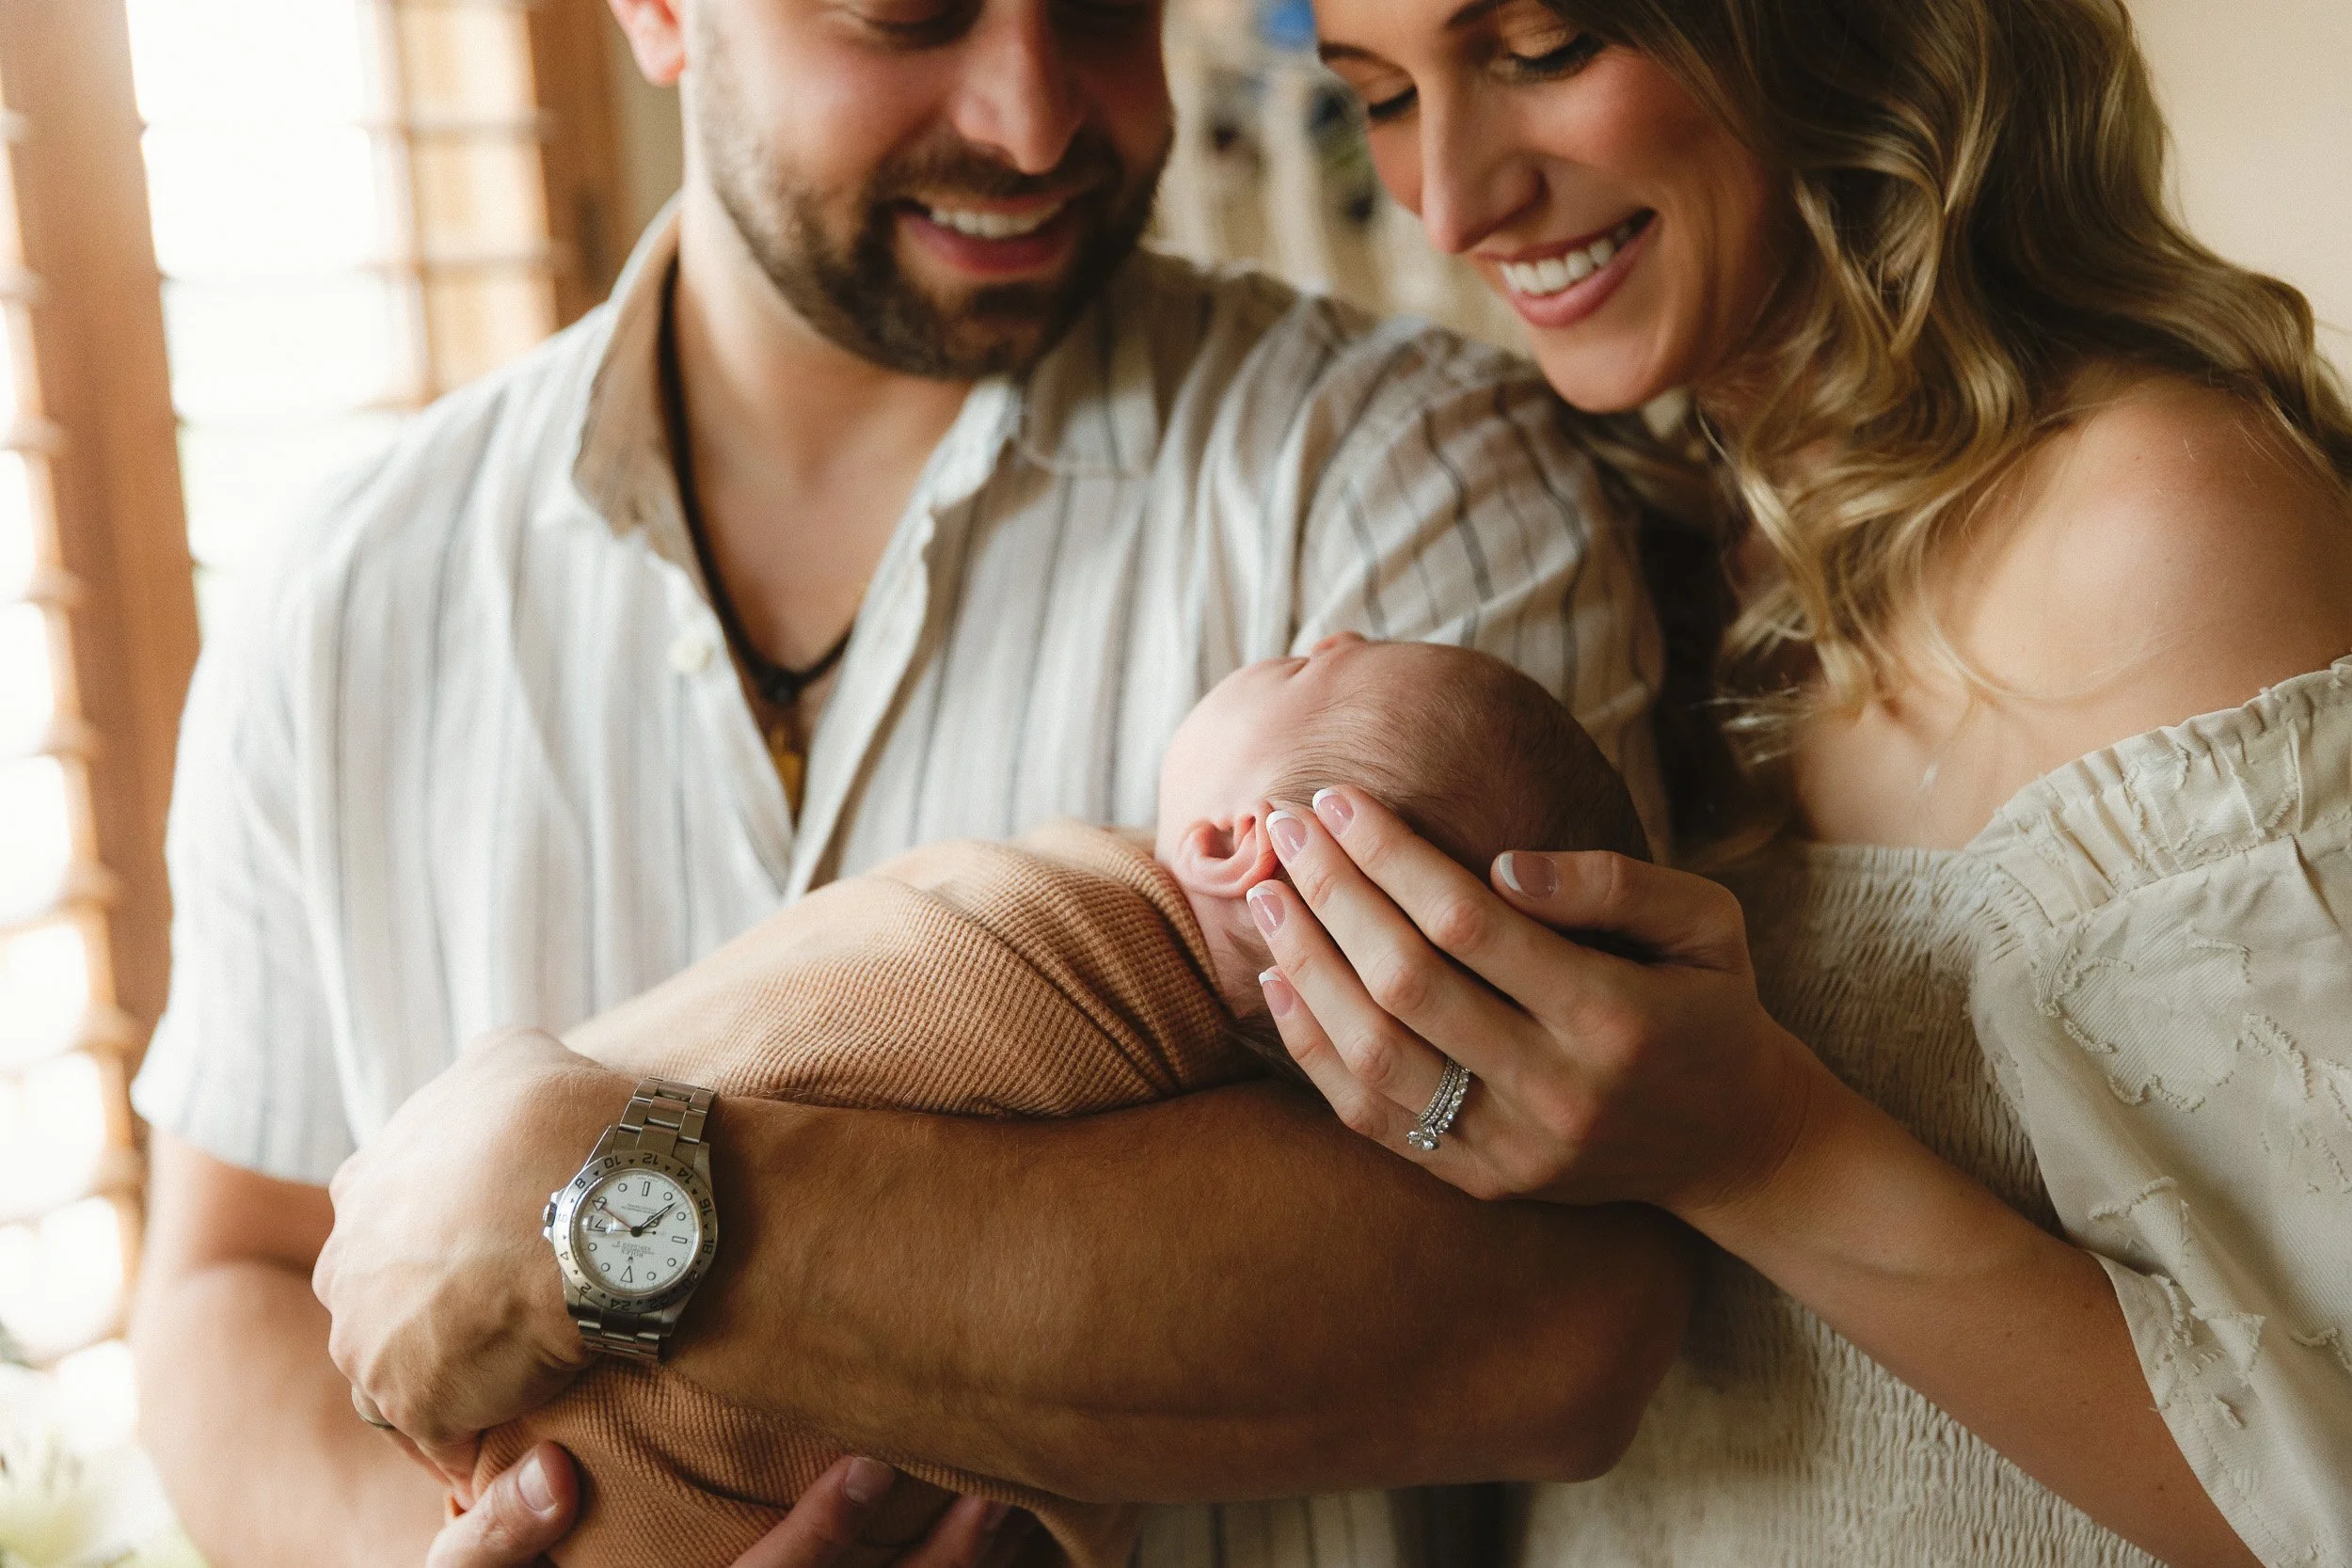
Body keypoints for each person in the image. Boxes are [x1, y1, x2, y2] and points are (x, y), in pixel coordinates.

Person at [125, 0, 1691, 1564]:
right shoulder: (336, 600)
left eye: (1101, 11)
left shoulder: (1410, 478)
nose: (1034, 123)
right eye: (909, 14)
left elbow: (1555, 1319)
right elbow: (228, 1281)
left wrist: (601, 1206)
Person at [1248, 0, 2352, 1564]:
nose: (1448, 198)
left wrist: (1762, 1149)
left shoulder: (2154, 531)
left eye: (1544, 47)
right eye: (1376, 96)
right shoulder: (1612, 544)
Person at [392, 635, 1654, 1568]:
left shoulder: (1059, 946)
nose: (1321, 636)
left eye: (1329, 659)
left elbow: (770, 1042)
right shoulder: (1208, 1092)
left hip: (599, 1471)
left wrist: (543, 1164)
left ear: (1230, 849)